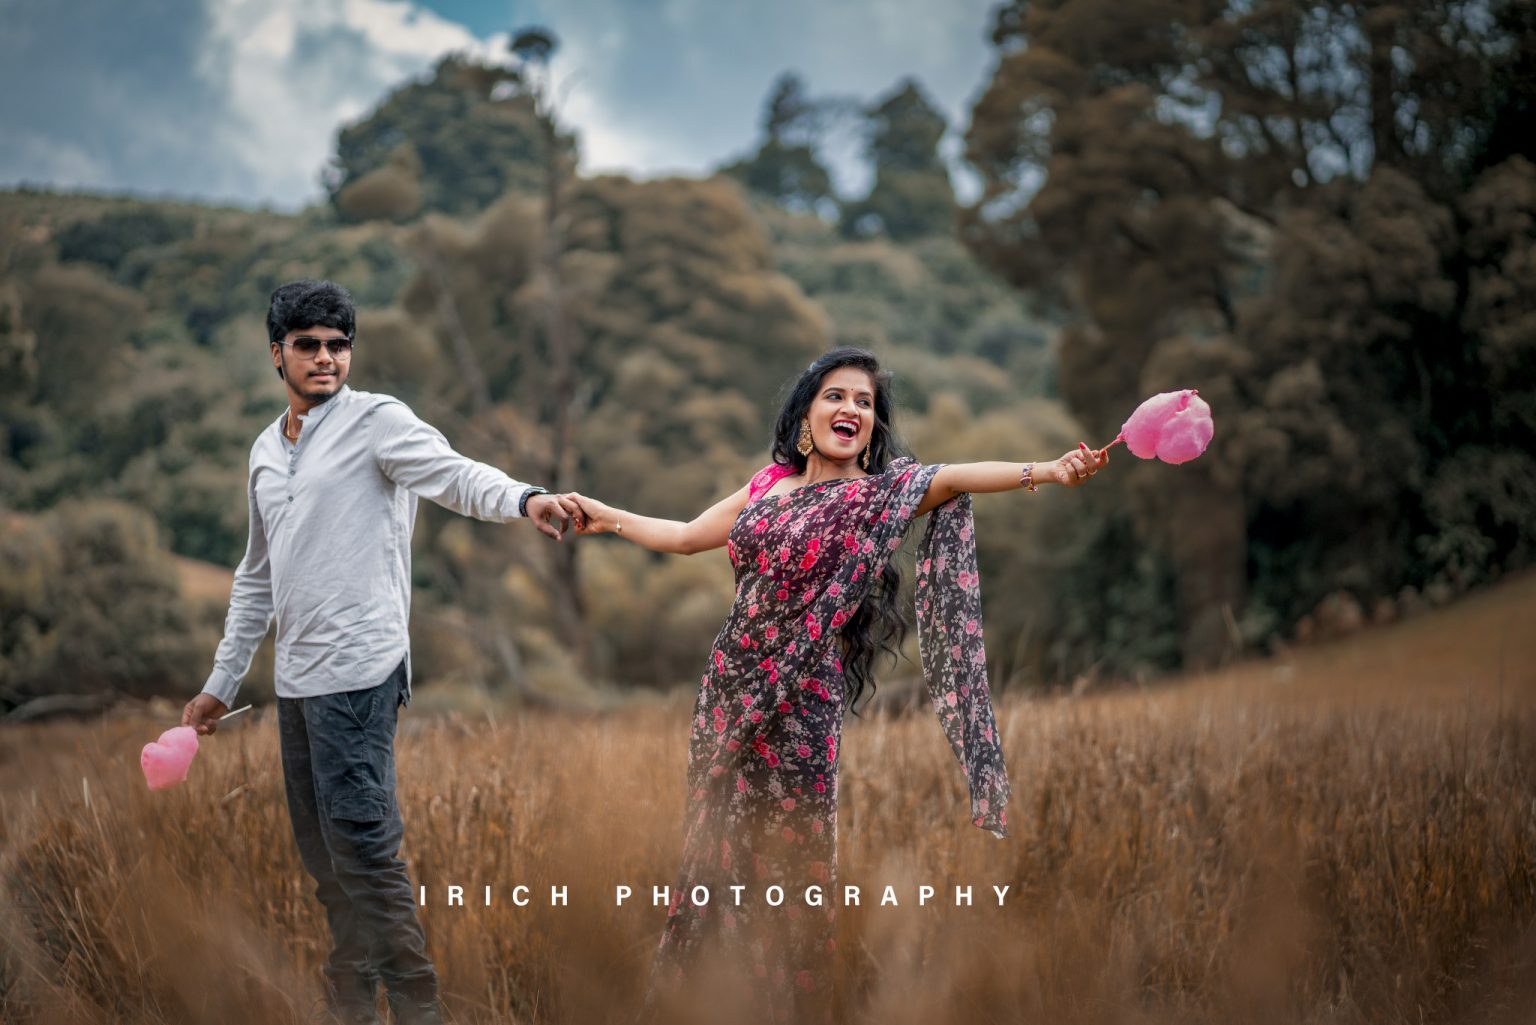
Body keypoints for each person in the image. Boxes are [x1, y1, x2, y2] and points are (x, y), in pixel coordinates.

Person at [563, 347, 1108, 1023]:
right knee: (710, 864)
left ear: (874, 429)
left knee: (785, 875)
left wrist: (1049, 470)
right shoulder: (767, 486)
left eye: (865, 402)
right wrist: (600, 515)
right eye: (836, 395)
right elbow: (683, 536)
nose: (850, 408)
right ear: (806, 413)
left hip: (801, 710)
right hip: (728, 700)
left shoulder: (877, 496)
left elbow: (958, 474)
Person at [180, 279, 571, 1025]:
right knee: (328, 868)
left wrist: (526, 498)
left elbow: (456, 474)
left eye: (338, 344)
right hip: (296, 685)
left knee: (365, 857)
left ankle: (422, 1012)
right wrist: (220, 684)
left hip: (360, 674)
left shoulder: (378, 423)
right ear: (278, 354)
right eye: (308, 345)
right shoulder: (266, 451)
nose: (326, 357)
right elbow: (256, 577)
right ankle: (351, 1009)